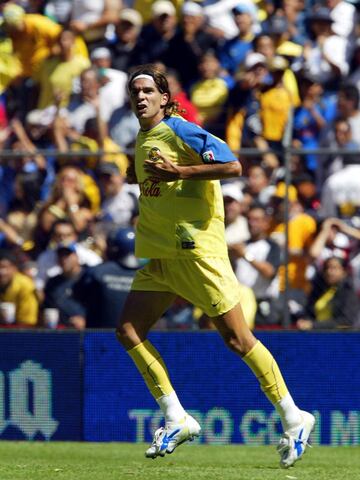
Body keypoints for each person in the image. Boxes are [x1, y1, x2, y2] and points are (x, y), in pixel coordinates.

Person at [115, 65, 315, 468]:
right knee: (129, 331)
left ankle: (295, 417)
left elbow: (232, 165)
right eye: (135, 91)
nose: (140, 97)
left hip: (195, 253)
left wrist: (180, 171)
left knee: (238, 340)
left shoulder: (179, 130)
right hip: (161, 256)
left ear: (165, 98)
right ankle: (176, 417)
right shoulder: (142, 137)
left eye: (148, 91)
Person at [73, 227, 141, 328]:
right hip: (135, 341)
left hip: (98, 339)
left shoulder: (96, 272)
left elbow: (77, 296)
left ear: (112, 249)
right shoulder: (148, 276)